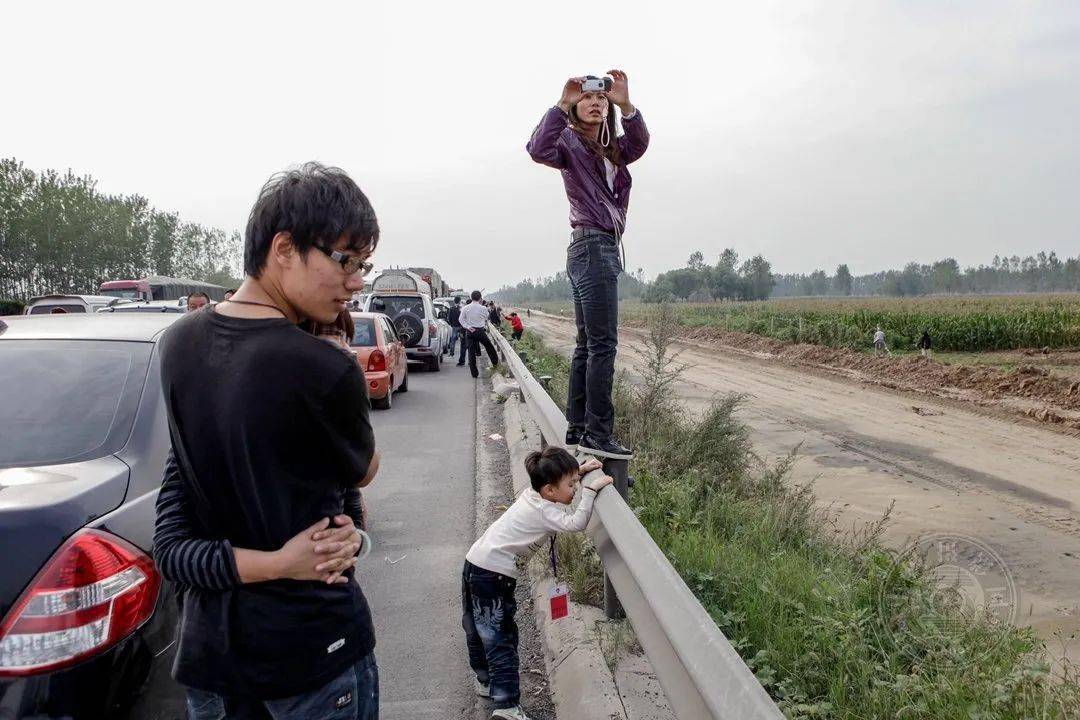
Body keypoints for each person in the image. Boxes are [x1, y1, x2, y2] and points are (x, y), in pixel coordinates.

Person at [157, 162, 382, 719]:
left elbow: (173, 529)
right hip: (310, 655)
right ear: (284, 248)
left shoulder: (176, 344)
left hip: (211, 660)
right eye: (344, 260)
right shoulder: (324, 369)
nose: (356, 281)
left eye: (363, 264)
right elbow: (361, 475)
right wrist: (286, 561)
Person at [527, 70, 649, 459]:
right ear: (576, 109)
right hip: (593, 247)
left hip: (593, 247)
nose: (596, 103)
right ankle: (598, 432)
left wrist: (627, 105)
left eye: (602, 99)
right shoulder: (567, 143)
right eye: (587, 99)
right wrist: (561, 104)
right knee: (602, 346)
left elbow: (640, 143)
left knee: (586, 345)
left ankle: (578, 429)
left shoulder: (613, 150)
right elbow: (536, 148)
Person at [463, 448, 612, 720]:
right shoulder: (545, 509)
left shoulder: (533, 494)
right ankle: (506, 707)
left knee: (476, 627)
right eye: (571, 485)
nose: (575, 489)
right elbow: (576, 522)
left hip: (475, 562)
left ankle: (485, 681)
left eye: (576, 482)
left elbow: (555, 486)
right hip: (493, 574)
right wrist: (591, 491)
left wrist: (579, 472)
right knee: (501, 637)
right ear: (550, 490)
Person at [460, 290, 499, 378]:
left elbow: (461, 319)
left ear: (471, 298)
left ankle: (474, 373)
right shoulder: (483, 308)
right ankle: (495, 363)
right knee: (489, 346)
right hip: (479, 330)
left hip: (470, 331)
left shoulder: (466, 308)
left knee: (471, 352)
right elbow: (487, 317)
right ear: (480, 298)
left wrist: (468, 327)